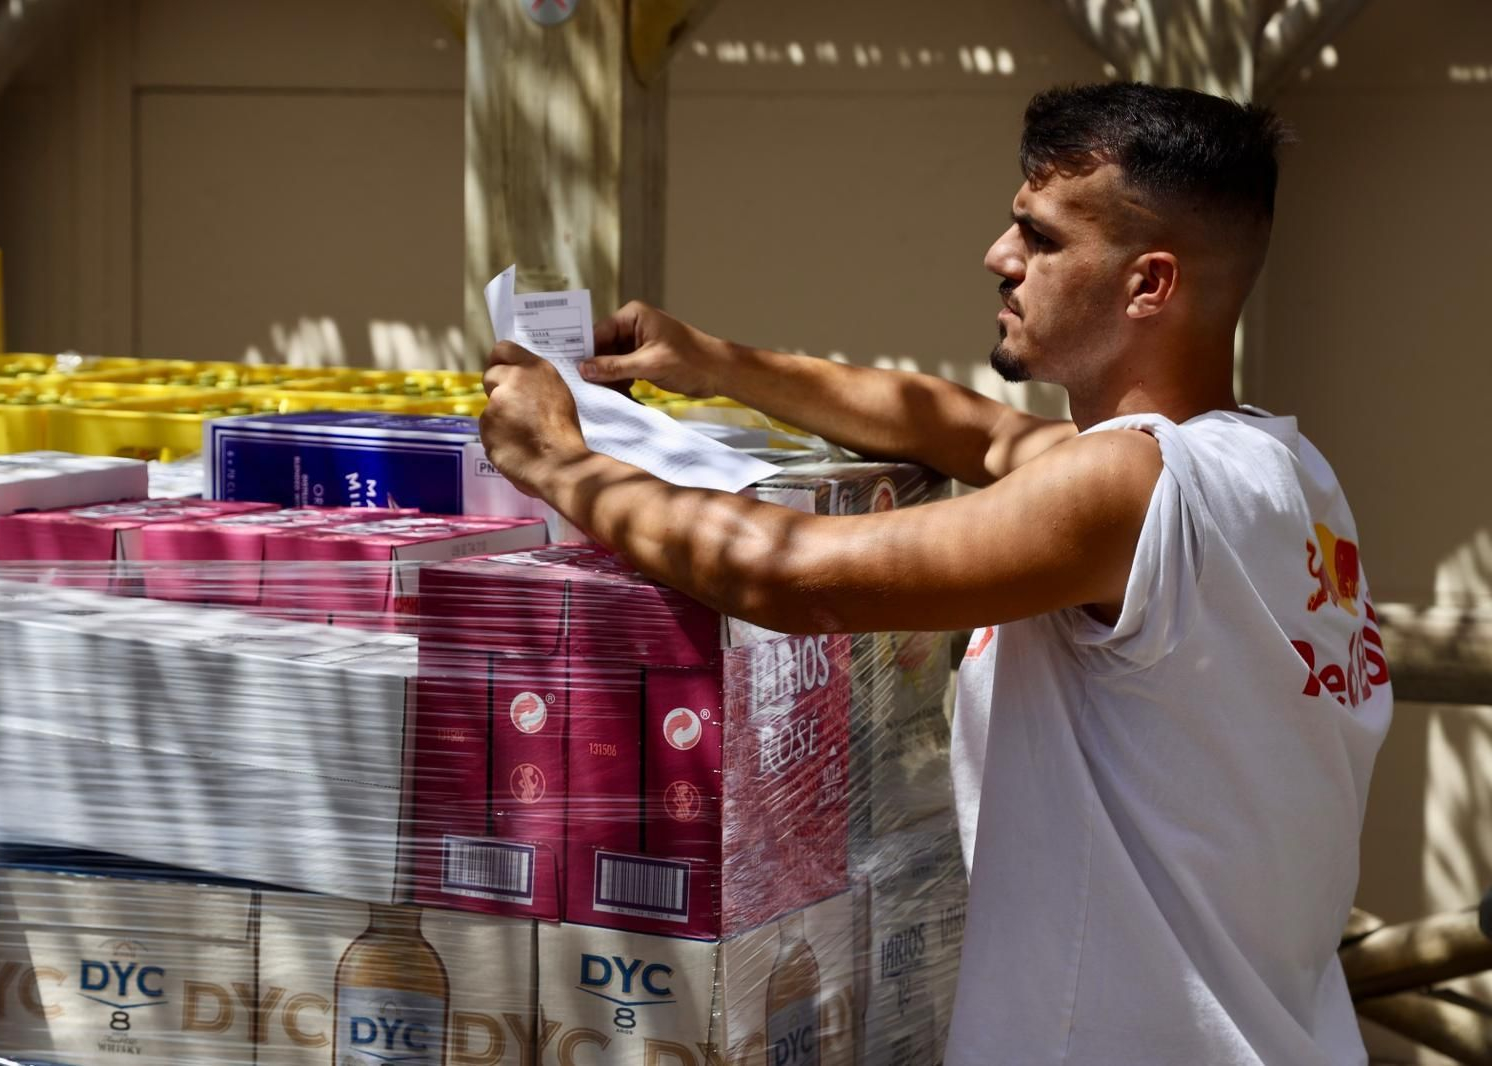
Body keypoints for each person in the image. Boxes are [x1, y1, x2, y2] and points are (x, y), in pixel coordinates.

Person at [478, 82, 1392, 1065]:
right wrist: (713, 362)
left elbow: (791, 578)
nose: (1000, 256)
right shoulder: (1270, 468)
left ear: (1148, 285)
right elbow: (970, 430)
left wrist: (557, 461)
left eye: (1040, 238)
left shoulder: (1121, 491)